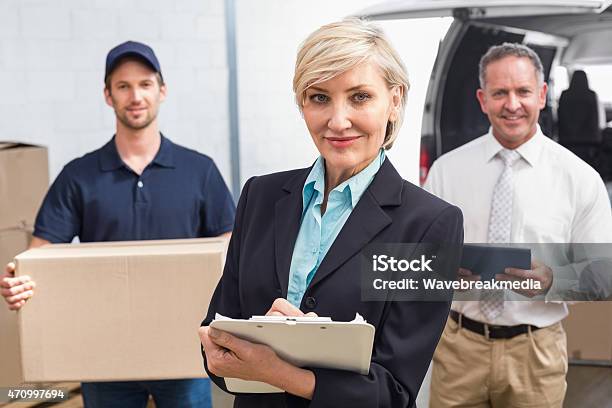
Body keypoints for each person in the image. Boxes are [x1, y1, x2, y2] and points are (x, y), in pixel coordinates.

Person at [198, 18, 464, 408]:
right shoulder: (260, 197)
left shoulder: (425, 226)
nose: (338, 121)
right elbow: (216, 331)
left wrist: (280, 371)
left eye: (359, 97)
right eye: (319, 98)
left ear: (394, 100)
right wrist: (215, 350)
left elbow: (394, 392)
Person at [0, 41, 235, 408]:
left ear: (162, 90)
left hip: (183, 349)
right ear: (108, 96)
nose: (135, 95)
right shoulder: (79, 176)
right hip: (104, 355)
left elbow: (229, 246)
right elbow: (38, 255)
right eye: (123, 86)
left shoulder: (199, 170)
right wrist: (20, 280)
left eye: (145, 84)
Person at [424, 43, 612, 407]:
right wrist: (442, 271)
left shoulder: (579, 178)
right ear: (482, 99)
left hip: (535, 353)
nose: (512, 104)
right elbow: (420, 261)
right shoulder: (447, 170)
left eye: (523, 91)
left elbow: (604, 275)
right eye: (500, 93)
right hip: (457, 349)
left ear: (542, 95)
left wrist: (553, 279)